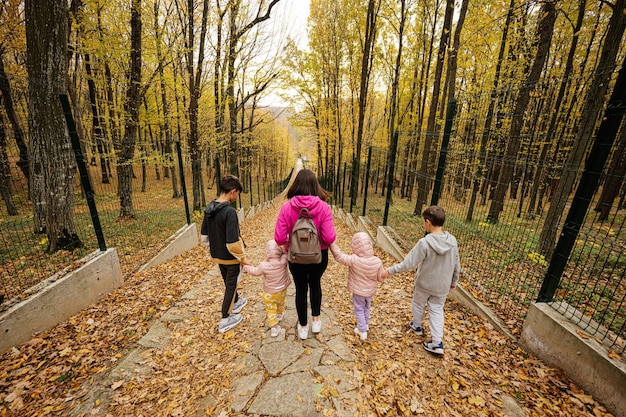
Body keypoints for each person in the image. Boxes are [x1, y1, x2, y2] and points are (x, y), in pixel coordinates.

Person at [382, 205, 461, 355]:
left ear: (428, 222)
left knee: (418, 303)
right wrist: (453, 282)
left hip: (424, 284)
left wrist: (389, 271)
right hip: (442, 286)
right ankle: (437, 343)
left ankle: (416, 326)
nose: (423, 224)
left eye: (423, 222)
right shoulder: (453, 241)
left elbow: (408, 263)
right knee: (437, 310)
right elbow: (457, 265)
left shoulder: (424, 243)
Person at [274, 169, 336, 340]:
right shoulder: (323, 207)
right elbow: (330, 237)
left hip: (296, 257)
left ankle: (302, 326)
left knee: (301, 289)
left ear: (296, 185)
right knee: (315, 284)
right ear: (315, 185)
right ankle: (316, 321)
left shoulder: (286, 208)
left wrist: (289, 244)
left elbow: (279, 237)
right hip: (319, 256)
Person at [200, 174, 248, 333]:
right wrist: (242, 258)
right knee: (231, 284)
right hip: (230, 257)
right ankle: (225, 318)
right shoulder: (229, 212)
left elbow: (204, 237)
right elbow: (232, 242)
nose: (236, 197)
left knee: (228, 282)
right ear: (233, 191)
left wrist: (216, 247)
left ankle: (236, 301)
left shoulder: (209, 208)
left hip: (217, 255)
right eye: (237, 194)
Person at [330, 232, 385, 340]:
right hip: (370, 291)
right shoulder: (377, 261)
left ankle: (362, 330)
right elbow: (380, 278)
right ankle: (365, 324)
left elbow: (340, 257)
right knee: (366, 307)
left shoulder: (354, 260)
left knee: (359, 309)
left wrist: (332, 244)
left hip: (358, 291)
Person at [243, 240, 291, 337]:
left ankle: (274, 328)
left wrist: (246, 267)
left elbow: (255, 272)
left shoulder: (263, 265)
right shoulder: (283, 260)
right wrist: (283, 249)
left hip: (269, 292)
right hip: (282, 289)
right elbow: (286, 252)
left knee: (270, 308)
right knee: (281, 302)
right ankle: (280, 314)